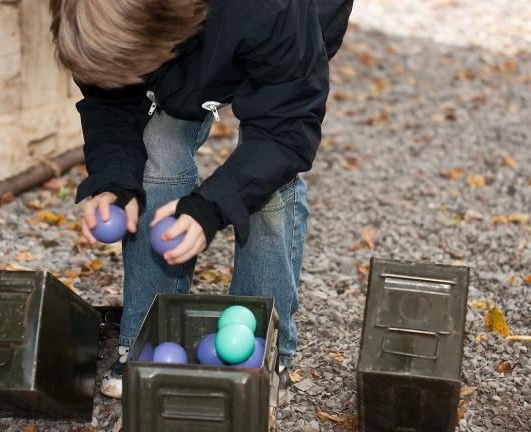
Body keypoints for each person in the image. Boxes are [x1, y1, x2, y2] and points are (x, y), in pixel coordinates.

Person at [49, 0, 352, 401]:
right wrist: (115, 182)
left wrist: (210, 207)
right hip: (190, 35)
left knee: (269, 189)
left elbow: (284, 130)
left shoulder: (271, 11)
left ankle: (259, 352)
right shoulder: (95, 18)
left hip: (288, 25)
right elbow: (111, 100)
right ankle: (145, 339)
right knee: (159, 142)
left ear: (165, 31)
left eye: (137, 67)